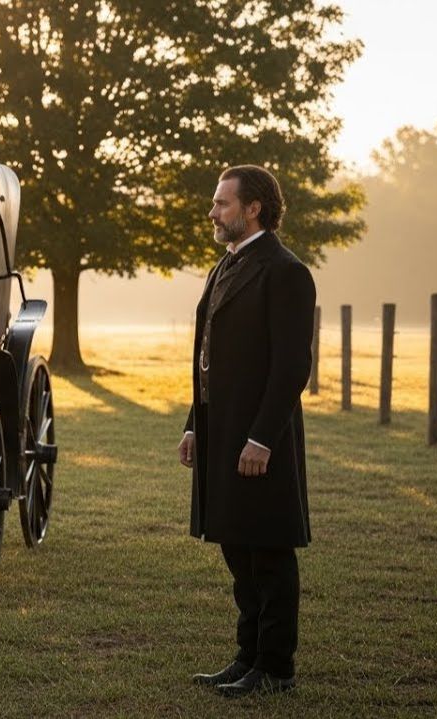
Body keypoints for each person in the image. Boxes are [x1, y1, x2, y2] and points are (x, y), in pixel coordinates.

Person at [178, 166, 315, 697]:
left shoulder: (286, 272)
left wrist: (262, 438)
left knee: (269, 551)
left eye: (222, 203)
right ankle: (246, 656)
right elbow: (206, 359)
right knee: (237, 546)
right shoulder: (223, 267)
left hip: (262, 435)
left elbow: (290, 367)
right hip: (221, 428)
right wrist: (196, 423)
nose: (212, 212)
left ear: (253, 207)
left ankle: (276, 667)